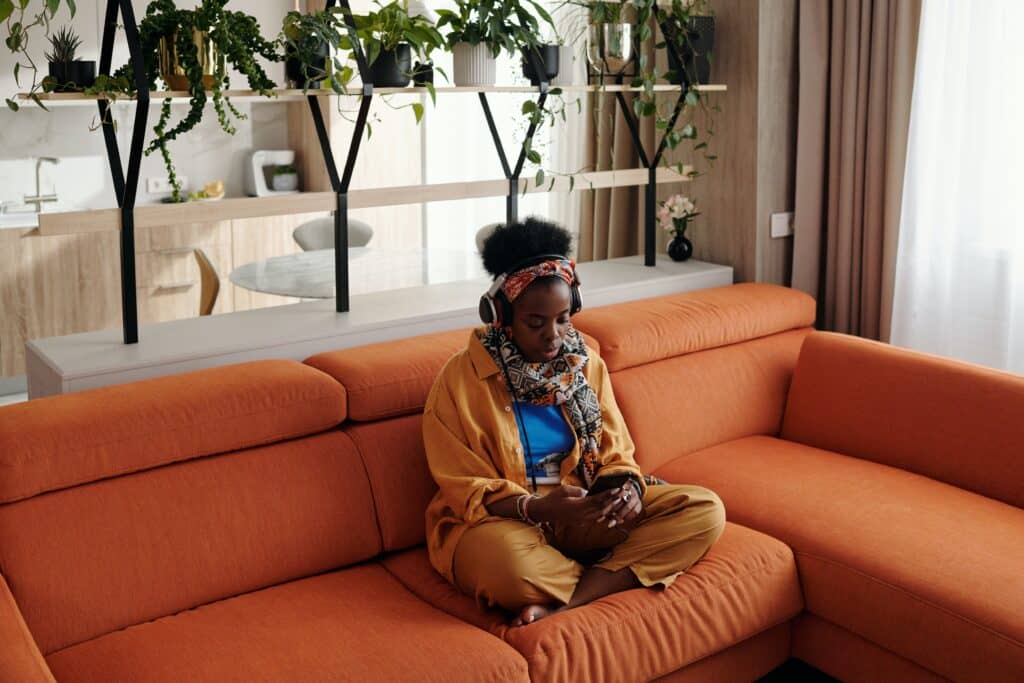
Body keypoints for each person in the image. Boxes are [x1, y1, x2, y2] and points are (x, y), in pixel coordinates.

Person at [423, 218, 726, 627]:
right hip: (507, 522)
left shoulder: (587, 365)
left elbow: (617, 450)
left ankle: (566, 602)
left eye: (563, 319)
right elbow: (464, 486)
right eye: (536, 322)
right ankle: (608, 575)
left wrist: (627, 490)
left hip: (583, 512)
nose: (554, 335)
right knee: (507, 569)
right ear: (502, 316)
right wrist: (537, 507)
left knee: (705, 511)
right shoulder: (459, 381)